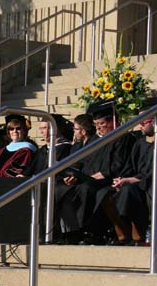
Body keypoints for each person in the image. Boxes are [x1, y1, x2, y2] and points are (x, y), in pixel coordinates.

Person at [56, 101, 135, 244]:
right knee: (63, 189)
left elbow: (118, 165)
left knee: (86, 189)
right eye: (96, 124)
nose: (99, 128)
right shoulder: (95, 140)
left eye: (102, 124)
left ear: (113, 121)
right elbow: (86, 161)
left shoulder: (122, 138)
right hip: (90, 179)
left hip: (108, 179)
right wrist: (74, 176)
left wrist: (100, 175)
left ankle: (88, 232)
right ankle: (68, 232)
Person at [109, 109, 155, 245]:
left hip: (149, 182)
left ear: (154, 122)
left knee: (130, 191)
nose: (139, 126)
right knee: (105, 192)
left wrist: (134, 180)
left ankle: (143, 233)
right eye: (138, 123)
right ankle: (124, 233)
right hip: (136, 181)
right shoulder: (139, 144)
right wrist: (122, 178)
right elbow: (130, 166)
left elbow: (152, 172)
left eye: (143, 122)